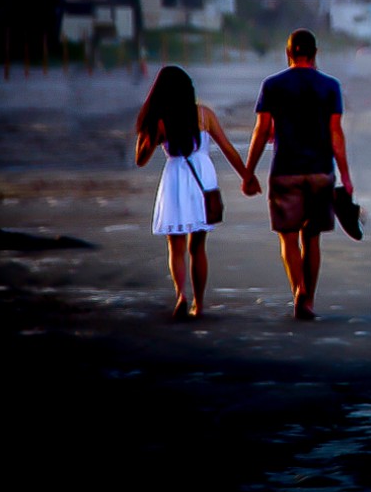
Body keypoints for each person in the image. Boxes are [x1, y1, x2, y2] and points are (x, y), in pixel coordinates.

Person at [246, 28, 353, 320]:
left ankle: (298, 291)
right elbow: (336, 134)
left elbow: (261, 132)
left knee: (289, 238)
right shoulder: (330, 86)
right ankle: (308, 299)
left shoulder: (272, 85)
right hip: (320, 172)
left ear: (288, 53)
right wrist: (345, 176)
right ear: (315, 53)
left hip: (285, 172)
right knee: (313, 237)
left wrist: (249, 171)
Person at [134, 65, 256, 320]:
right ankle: (198, 304)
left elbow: (140, 159)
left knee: (175, 245)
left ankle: (181, 295)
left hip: (176, 178)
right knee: (198, 247)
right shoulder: (204, 115)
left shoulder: (160, 121)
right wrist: (247, 175)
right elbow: (227, 148)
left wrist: (146, 125)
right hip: (201, 177)